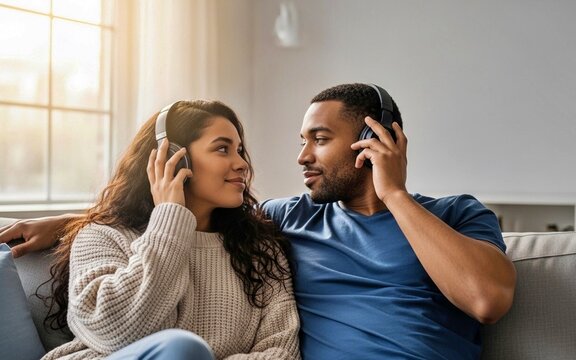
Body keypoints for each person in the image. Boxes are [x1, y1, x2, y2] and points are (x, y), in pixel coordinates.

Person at [1, 84, 516, 359]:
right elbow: (190, 222)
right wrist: (73, 222)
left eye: (318, 139)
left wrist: (395, 193)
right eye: (300, 141)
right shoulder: (289, 219)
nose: (300, 158)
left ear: (374, 138)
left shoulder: (456, 214)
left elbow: (486, 299)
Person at [16, 100, 301, 359]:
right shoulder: (102, 236)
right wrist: (171, 219)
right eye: (222, 149)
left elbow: (280, 351)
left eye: (239, 150)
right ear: (173, 158)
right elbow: (115, 332)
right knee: (181, 348)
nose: (242, 164)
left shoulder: (260, 250)